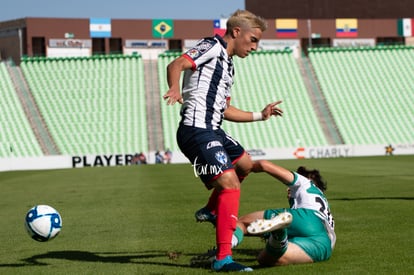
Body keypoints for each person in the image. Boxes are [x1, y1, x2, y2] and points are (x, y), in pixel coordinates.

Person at [163, 9, 283, 272]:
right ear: (236, 32)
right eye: (253, 40)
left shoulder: (228, 65)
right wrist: (174, 87)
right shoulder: (211, 46)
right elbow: (176, 64)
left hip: (213, 129)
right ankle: (223, 259)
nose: (255, 47)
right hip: (195, 129)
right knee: (229, 182)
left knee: (246, 165)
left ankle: (210, 210)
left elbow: (225, 110)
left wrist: (259, 115)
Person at [231, 160, 336, 267]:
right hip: (324, 245)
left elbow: (264, 165)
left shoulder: (305, 182)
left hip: (307, 218)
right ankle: (279, 235)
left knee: (242, 223)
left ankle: (222, 252)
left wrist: (241, 168)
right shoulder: (325, 206)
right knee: (266, 259)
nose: (288, 189)